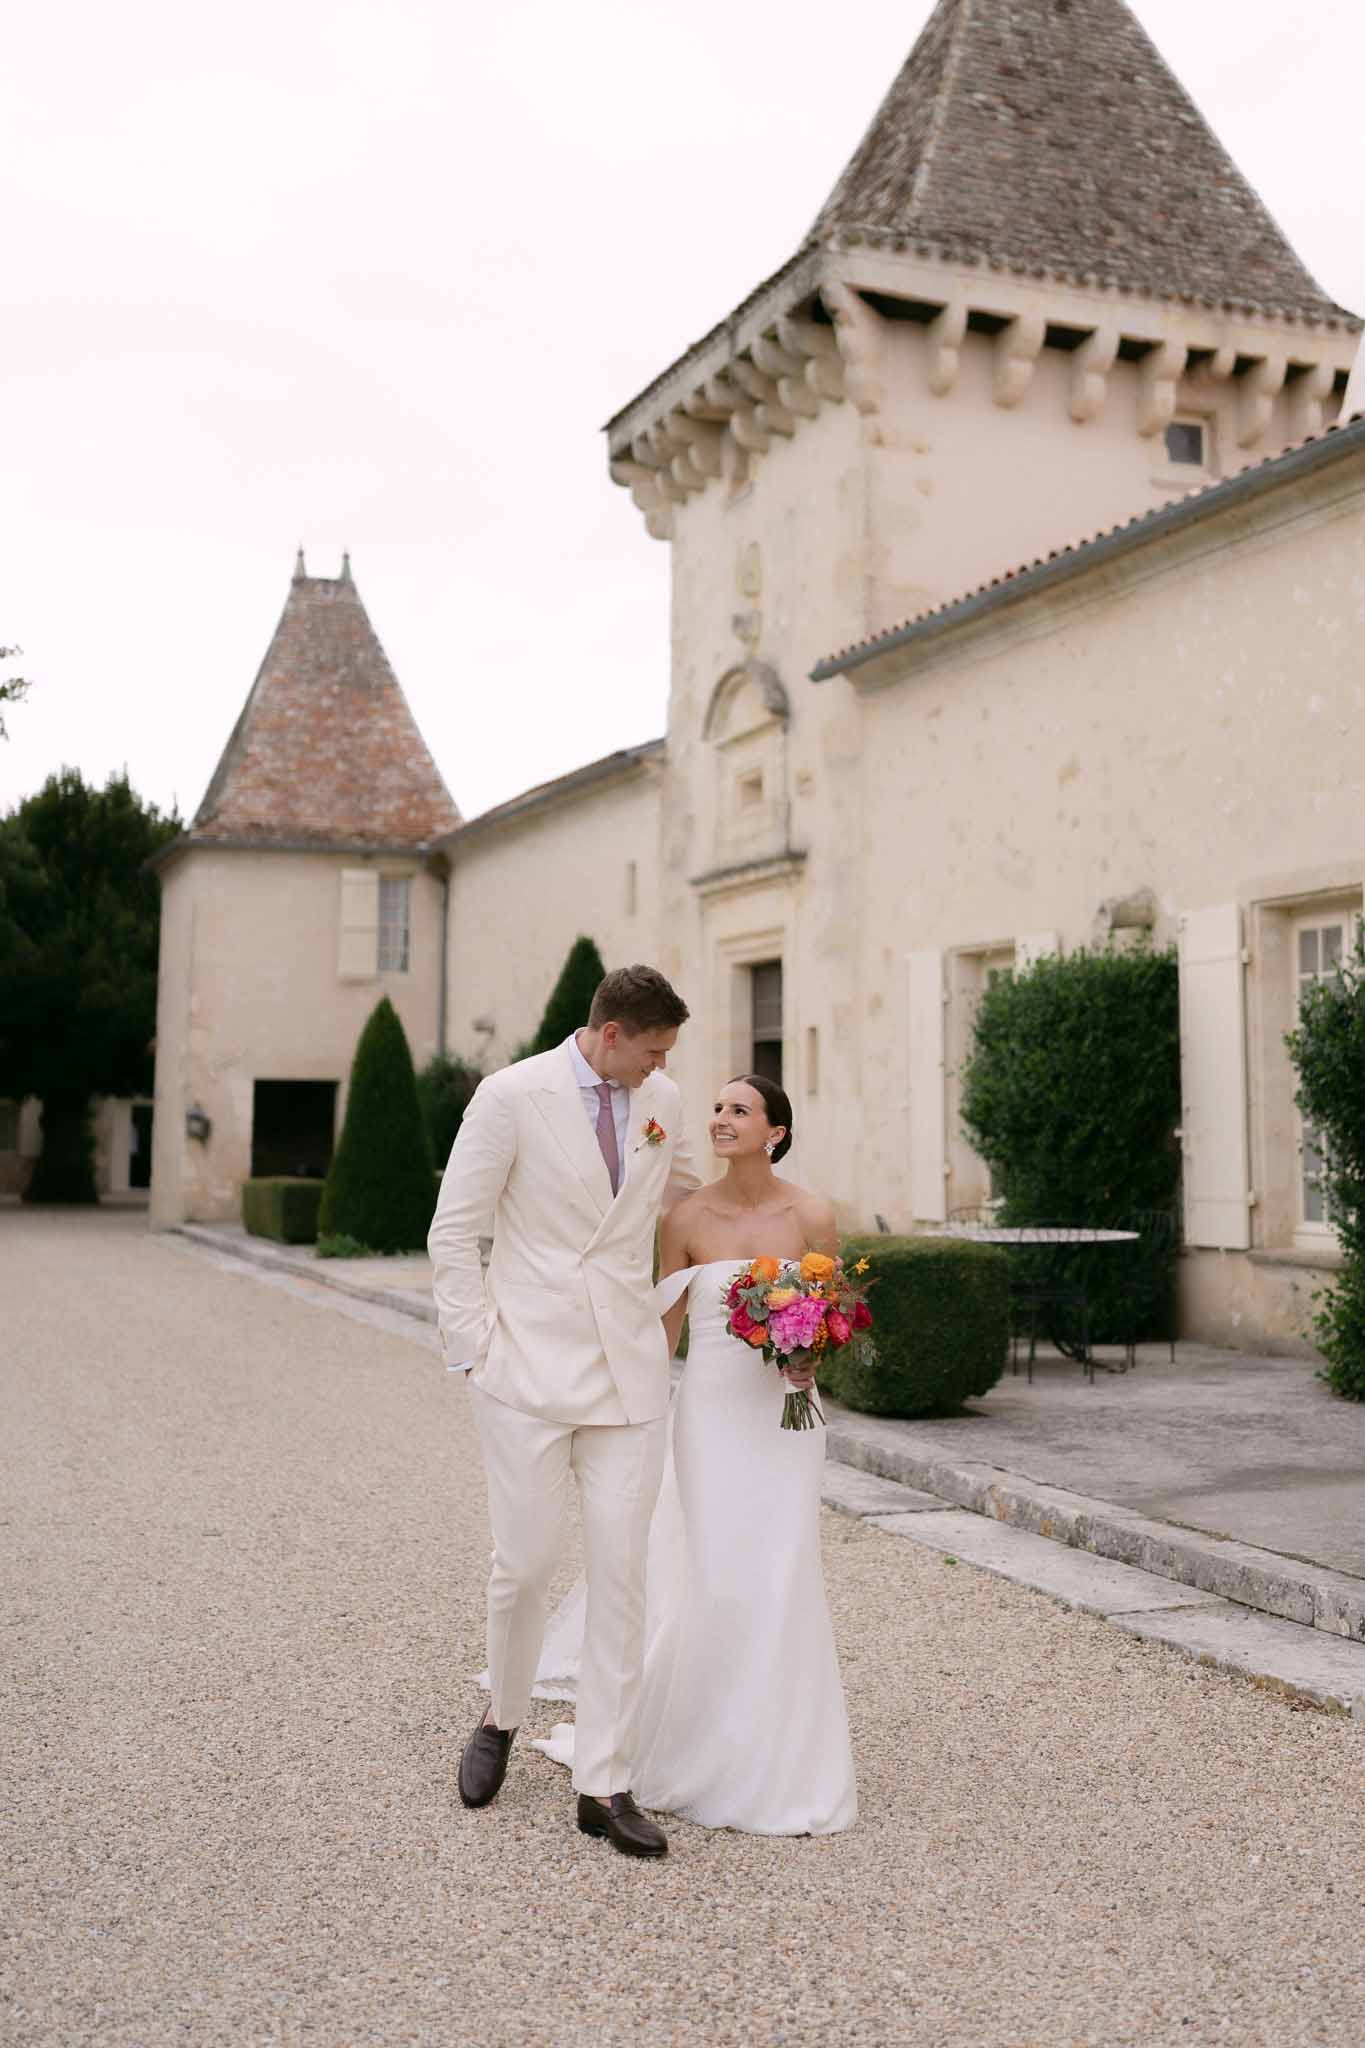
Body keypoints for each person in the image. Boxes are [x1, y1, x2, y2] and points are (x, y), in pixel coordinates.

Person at [532, 1074, 858, 1837]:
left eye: (738, 1110)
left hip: (787, 1417)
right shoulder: (682, 1217)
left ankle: (781, 1753)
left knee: (781, 1568)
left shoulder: (810, 1213)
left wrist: (813, 1359)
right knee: (713, 1567)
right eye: (716, 1108)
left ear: (774, 1131)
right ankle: (698, 1736)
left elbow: (835, 1313)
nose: (720, 1119)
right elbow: (663, 1334)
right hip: (708, 1416)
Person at [428, 965, 700, 1859]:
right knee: (527, 1563)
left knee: (622, 1574)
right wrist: (475, 1349)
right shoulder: (512, 1095)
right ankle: (502, 1716)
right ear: (612, 1034)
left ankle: (604, 1782)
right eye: (653, 1047)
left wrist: (773, 1249)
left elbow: (696, 1194)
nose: (663, 1065)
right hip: (526, 1371)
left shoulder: (661, 1096)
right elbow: (453, 1227)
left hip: (630, 1372)